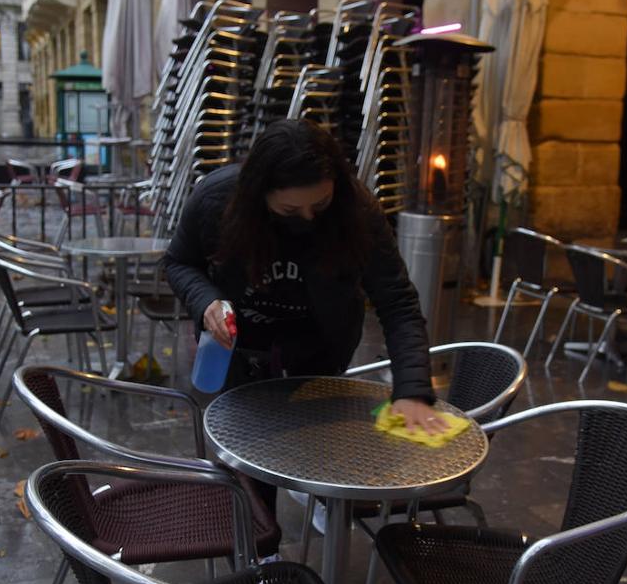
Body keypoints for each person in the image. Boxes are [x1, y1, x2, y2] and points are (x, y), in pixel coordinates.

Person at [163, 119, 442, 432]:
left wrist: (413, 389)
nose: (308, 219)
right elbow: (178, 262)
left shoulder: (356, 211)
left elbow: (397, 302)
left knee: (315, 450)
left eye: (321, 205)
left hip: (321, 351)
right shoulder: (216, 200)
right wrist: (207, 301)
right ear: (259, 196)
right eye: (289, 211)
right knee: (245, 459)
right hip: (238, 350)